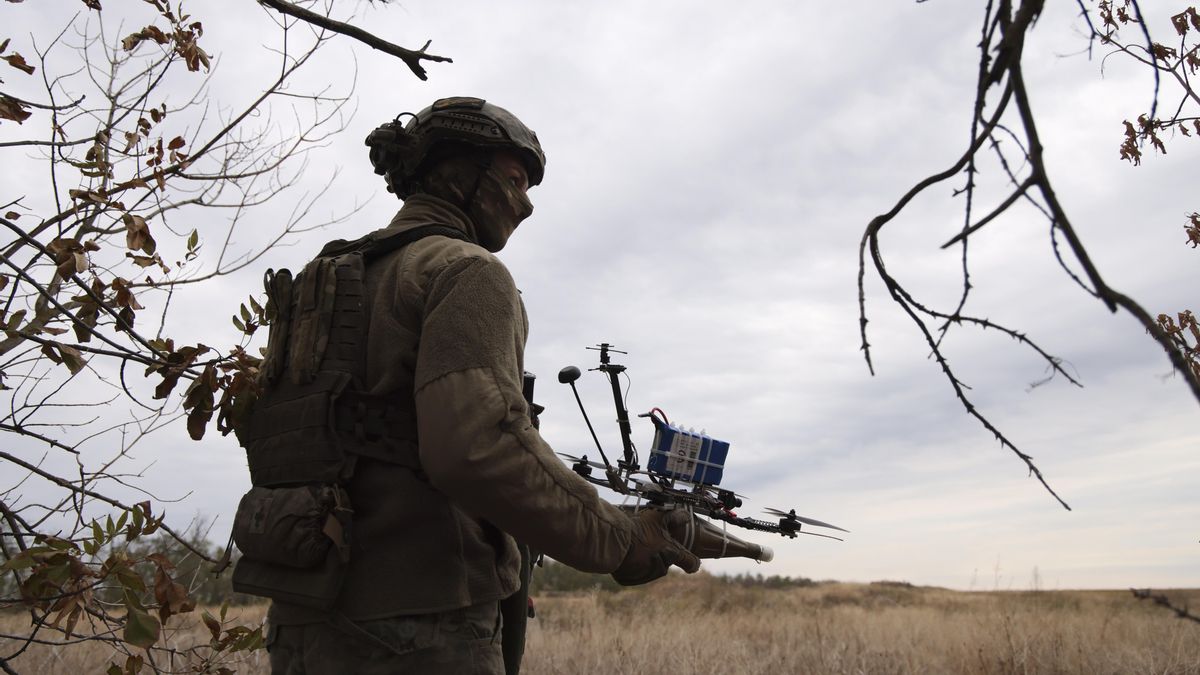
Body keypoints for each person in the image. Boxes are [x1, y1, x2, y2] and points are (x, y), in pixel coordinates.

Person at [258, 96, 701, 674]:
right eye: (516, 179)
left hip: (300, 620)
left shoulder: (328, 278)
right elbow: (478, 445)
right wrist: (617, 536)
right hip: (421, 624)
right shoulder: (465, 270)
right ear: (459, 173)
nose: (526, 204)